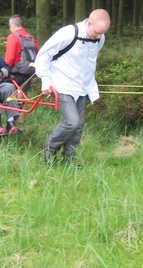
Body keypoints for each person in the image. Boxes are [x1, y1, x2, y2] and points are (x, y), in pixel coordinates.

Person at [35, 9, 110, 166]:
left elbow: (89, 60)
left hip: (83, 86)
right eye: (97, 32)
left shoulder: (99, 38)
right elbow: (44, 55)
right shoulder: (68, 33)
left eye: (101, 34)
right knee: (72, 122)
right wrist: (45, 81)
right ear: (89, 23)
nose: (99, 37)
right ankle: (49, 148)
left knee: (78, 127)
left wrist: (91, 87)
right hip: (62, 84)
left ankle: (69, 159)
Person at [4, 14, 39, 93]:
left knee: (5, 91)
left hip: (16, 73)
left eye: (10, 26)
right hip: (30, 72)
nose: (10, 28)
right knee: (22, 95)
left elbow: (10, 58)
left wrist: (4, 70)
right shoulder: (31, 37)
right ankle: (20, 104)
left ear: (13, 25)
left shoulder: (13, 37)